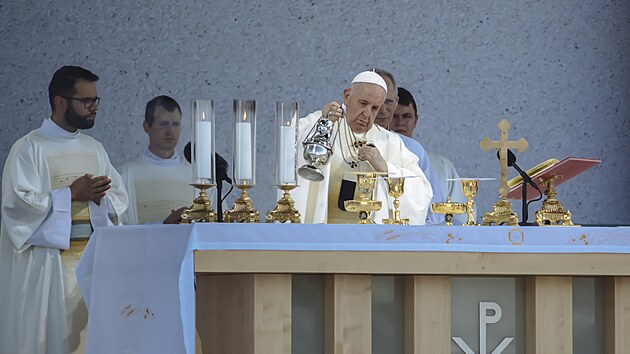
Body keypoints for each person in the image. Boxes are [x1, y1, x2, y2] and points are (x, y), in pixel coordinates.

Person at [0, 65, 128, 354]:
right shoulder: (29, 148)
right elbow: (17, 208)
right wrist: (70, 194)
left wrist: (101, 200)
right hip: (49, 273)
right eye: (86, 101)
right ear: (60, 101)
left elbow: (118, 198)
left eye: (96, 100)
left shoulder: (95, 149)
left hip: (92, 271)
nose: (94, 108)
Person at [293, 70, 432, 224]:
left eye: (374, 108)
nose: (367, 114)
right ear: (347, 96)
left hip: (370, 237)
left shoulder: (390, 142)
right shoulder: (323, 121)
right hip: (321, 233)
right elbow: (289, 147)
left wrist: (386, 168)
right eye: (363, 103)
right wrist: (321, 123)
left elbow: (422, 191)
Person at [373, 69, 446, 224]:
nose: (383, 109)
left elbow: (434, 205)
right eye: (377, 102)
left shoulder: (412, 148)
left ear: (396, 101)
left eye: (389, 101)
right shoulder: (343, 139)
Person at [391, 87, 469, 224]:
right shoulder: (378, 157)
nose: (400, 122)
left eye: (407, 116)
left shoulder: (443, 166)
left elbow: (461, 216)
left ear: (415, 121)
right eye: (394, 116)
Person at [118, 95, 198, 224]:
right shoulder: (125, 173)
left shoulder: (197, 176)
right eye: (163, 124)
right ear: (147, 127)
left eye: (175, 124)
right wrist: (163, 226)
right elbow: (116, 227)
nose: (170, 131)